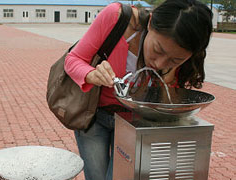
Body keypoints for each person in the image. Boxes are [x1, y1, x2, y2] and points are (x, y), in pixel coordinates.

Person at [64, 0, 213, 179]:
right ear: (150, 23)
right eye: (158, 50)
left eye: (175, 60)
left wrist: (170, 79)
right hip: (94, 116)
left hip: (136, 123)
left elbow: (171, 97)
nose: (159, 63)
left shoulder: (186, 51)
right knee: (96, 176)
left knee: (120, 176)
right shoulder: (117, 17)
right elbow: (73, 60)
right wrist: (91, 74)